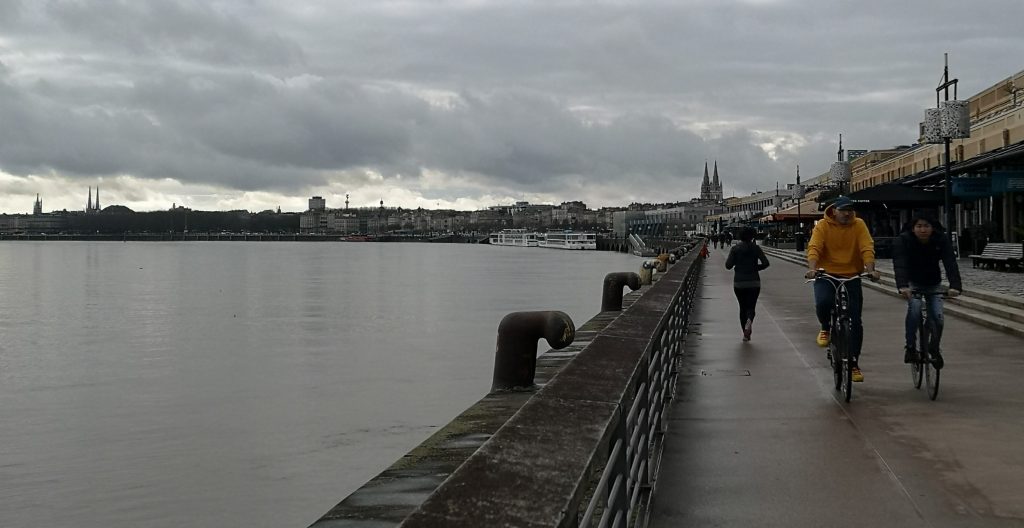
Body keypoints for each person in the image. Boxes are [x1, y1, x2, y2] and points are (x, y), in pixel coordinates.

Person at [804, 196, 880, 382]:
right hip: (826, 273)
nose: (847, 213)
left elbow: (866, 247)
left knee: (855, 320)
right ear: (834, 210)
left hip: (852, 274)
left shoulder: (859, 224)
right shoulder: (823, 225)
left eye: (850, 210)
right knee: (823, 302)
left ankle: (853, 363)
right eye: (843, 210)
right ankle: (825, 328)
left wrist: (870, 269)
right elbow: (814, 247)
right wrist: (812, 269)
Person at [892, 214, 962, 368]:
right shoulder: (904, 241)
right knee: (915, 309)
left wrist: (955, 286)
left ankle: (934, 347)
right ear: (913, 228)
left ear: (932, 228)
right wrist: (903, 285)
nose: (923, 230)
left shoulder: (941, 240)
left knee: (938, 318)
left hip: (933, 283)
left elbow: (950, 263)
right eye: (919, 226)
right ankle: (910, 347)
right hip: (913, 282)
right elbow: (900, 264)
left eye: (926, 226)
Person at [725, 227, 770, 341]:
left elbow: (728, 265)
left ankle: (745, 334)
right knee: (751, 306)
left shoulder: (735, 249)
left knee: (742, 307)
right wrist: (755, 268)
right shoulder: (756, 248)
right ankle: (749, 320)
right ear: (752, 236)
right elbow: (766, 263)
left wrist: (738, 264)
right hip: (754, 281)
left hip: (739, 282)